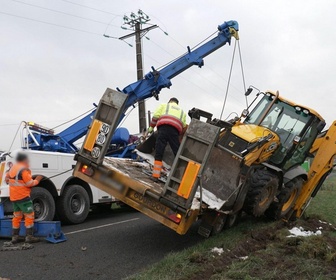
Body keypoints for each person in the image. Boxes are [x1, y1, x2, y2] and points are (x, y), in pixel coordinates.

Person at [5, 153, 43, 243]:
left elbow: (7, 179)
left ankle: (15, 237)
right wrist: (38, 179)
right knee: (29, 215)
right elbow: (30, 183)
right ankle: (29, 237)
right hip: (23, 197)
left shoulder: (12, 168)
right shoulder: (24, 169)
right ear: (24, 160)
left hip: (14, 197)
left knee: (17, 216)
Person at [147, 97, 187, 180]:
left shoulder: (164, 105)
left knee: (159, 151)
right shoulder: (182, 112)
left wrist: (151, 127)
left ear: (169, 101)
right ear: (177, 103)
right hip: (174, 132)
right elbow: (183, 125)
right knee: (177, 152)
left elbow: (155, 116)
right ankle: (182, 176)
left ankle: (155, 176)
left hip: (163, 129)